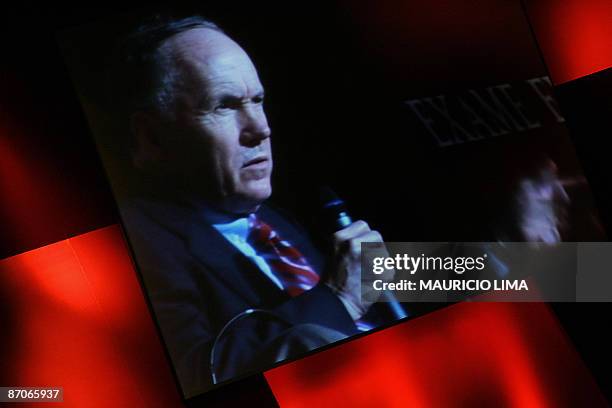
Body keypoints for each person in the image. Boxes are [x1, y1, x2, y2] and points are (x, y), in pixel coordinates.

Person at [112, 15, 390, 397]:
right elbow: (190, 377)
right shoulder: (134, 244)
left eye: (258, 100)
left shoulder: (281, 222)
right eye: (224, 105)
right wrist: (339, 299)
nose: (260, 128)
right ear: (152, 139)